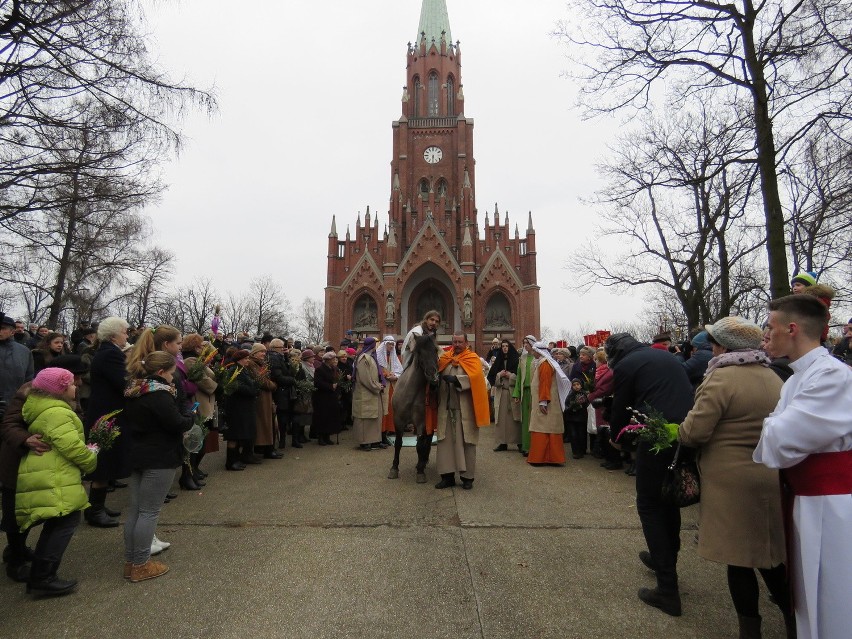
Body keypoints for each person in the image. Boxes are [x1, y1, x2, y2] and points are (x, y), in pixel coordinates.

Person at [678, 316, 792, 638]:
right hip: (770, 475)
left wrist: (682, 431)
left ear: (723, 346)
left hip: (731, 483)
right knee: (772, 558)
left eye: (713, 341)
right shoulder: (775, 377)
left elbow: (694, 432)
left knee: (739, 560)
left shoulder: (720, 378)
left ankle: (749, 630)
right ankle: (794, 623)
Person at [754, 294, 852, 639]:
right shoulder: (797, 379)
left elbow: (780, 442)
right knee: (808, 597)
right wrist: (774, 426)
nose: (766, 333)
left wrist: (773, 425)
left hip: (831, 505)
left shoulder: (831, 376)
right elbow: (775, 441)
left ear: (791, 328)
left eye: (770, 326)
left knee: (831, 596)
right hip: (805, 499)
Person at [604, 332, 694, 617]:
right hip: (684, 433)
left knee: (649, 505)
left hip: (657, 436)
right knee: (668, 500)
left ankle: (667, 590)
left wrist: (615, 434)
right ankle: (663, 560)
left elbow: (621, 405)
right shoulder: (663, 355)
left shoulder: (626, 365)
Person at [0, 355, 87, 583]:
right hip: (18, 462)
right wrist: (26, 439)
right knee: (17, 515)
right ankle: (15, 559)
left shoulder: (69, 392)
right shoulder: (29, 391)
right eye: (74, 376)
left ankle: (21, 552)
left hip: (45, 465)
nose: (78, 382)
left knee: (37, 510)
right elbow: (9, 423)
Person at [15, 368, 97, 596]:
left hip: (50, 472)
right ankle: (43, 577)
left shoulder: (44, 408)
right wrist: (91, 460)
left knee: (58, 522)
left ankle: (40, 575)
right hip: (55, 475)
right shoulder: (57, 413)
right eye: (71, 384)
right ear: (59, 390)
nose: (76, 387)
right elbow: (71, 446)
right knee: (65, 521)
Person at [122, 351, 194, 583]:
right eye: (173, 373)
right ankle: (141, 564)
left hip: (137, 453)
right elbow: (176, 423)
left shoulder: (134, 392)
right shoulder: (159, 395)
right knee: (149, 511)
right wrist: (190, 417)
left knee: (135, 510)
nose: (174, 378)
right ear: (162, 372)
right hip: (159, 457)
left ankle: (132, 561)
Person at [83, 317, 130, 528]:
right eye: (125, 332)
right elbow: (123, 383)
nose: (127, 336)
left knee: (107, 460)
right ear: (113, 335)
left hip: (105, 411)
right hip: (106, 414)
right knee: (102, 462)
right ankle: (94, 511)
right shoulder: (111, 354)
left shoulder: (107, 352)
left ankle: (98, 506)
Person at [434, 334, 490, 490]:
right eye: (454, 341)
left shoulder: (472, 359)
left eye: (460, 342)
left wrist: (458, 380)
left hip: (465, 410)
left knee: (467, 442)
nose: (457, 344)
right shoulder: (445, 358)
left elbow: (477, 378)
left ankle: (467, 477)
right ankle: (447, 476)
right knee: (445, 443)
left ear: (466, 342)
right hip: (446, 408)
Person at [526, 342, 570, 466]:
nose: (532, 352)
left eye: (534, 350)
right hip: (547, 400)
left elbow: (545, 383)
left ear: (538, 351)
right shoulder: (545, 362)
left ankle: (541, 458)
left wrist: (543, 401)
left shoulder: (545, 363)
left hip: (546, 402)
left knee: (542, 428)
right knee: (548, 428)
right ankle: (552, 458)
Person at [221, 349, 259, 471]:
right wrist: (253, 390)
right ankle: (231, 462)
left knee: (239, 434)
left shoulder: (243, 370)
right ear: (239, 360)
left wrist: (254, 388)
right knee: (234, 435)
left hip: (243, 407)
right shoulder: (234, 371)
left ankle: (236, 459)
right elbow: (240, 388)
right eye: (246, 358)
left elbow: (252, 386)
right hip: (236, 408)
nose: (248, 360)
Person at [351, 337, 384, 451]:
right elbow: (365, 378)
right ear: (372, 345)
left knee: (375, 418)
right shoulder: (363, 358)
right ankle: (364, 442)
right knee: (365, 419)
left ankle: (374, 440)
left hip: (373, 392)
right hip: (365, 392)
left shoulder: (371, 357)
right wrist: (377, 387)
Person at [247, 343, 279, 460]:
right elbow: (262, 381)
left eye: (265, 352)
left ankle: (268, 448)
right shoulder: (251, 364)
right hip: (260, 398)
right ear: (255, 353)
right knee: (263, 423)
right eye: (262, 352)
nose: (264, 354)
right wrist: (273, 385)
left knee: (268, 422)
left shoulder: (261, 363)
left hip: (266, 397)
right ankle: (265, 448)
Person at [488, 340, 521, 452]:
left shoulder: (516, 360)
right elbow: (491, 376)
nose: (505, 348)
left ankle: (519, 442)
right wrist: (499, 375)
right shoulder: (498, 361)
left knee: (515, 418)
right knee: (501, 419)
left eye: (507, 346)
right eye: (503, 346)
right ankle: (502, 442)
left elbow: (521, 377)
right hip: (501, 392)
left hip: (513, 392)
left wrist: (511, 376)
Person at [512, 335, 538, 456]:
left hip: (535, 392)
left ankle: (535, 446)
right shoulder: (522, 359)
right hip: (525, 391)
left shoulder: (538, 358)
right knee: (525, 420)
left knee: (534, 419)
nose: (525, 345)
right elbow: (518, 378)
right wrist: (517, 393)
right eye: (524, 343)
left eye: (527, 342)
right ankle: (526, 446)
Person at [0, 314, 34, 407]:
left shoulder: (24, 352)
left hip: (13, 405)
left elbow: (29, 378)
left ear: (12, 332)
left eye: (3, 328)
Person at [268, 338, 295, 449]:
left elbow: (287, 370)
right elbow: (278, 377)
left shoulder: (280, 357)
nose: (284, 349)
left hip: (283, 391)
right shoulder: (274, 358)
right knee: (281, 418)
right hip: (280, 392)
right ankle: (280, 442)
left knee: (284, 417)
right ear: (275, 348)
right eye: (282, 347)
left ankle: (282, 441)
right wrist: (292, 380)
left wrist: (286, 357)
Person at [377, 334, 403, 446]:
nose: (391, 347)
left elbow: (399, 370)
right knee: (383, 411)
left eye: (393, 344)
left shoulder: (394, 357)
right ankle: (380, 434)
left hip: (392, 387)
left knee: (390, 410)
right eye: (389, 344)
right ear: (384, 344)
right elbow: (377, 370)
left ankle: (387, 432)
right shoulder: (378, 356)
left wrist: (395, 376)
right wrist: (386, 374)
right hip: (382, 388)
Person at [312, 351, 341, 446]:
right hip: (322, 397)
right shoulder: (320, 369)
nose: (334, 360)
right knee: (322, 417)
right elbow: (318, 383)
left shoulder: (334, 369)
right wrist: (330, 386)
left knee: (330, 417)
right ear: (328, 360)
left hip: (332, 397)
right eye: (333, 359)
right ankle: (321, 437)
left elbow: (337, 379)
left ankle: (327, 436)